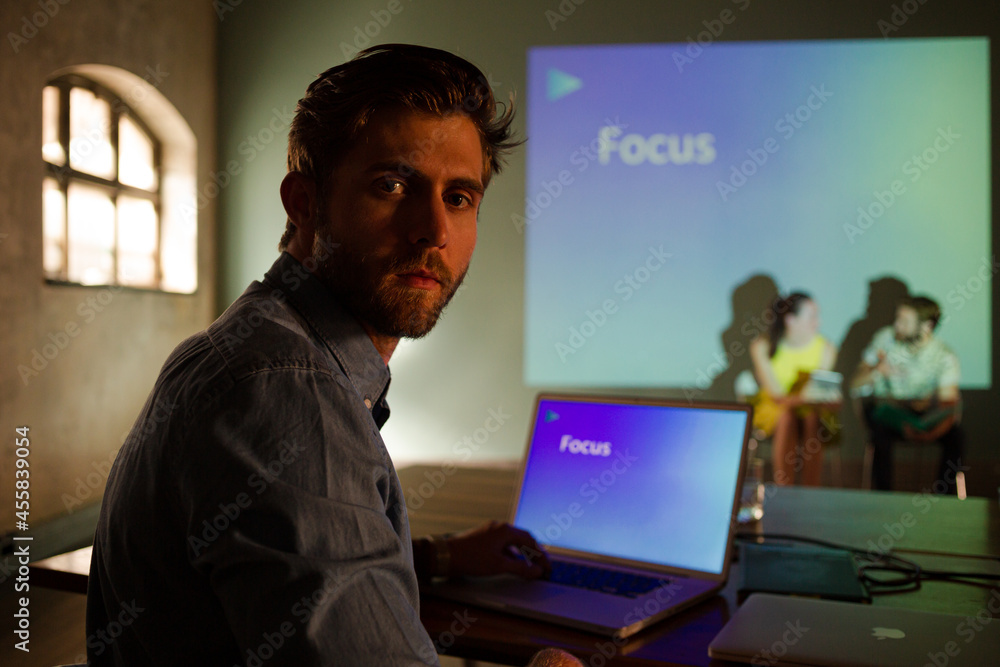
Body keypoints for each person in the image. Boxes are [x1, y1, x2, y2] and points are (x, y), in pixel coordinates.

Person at [87, 44, 582, 666]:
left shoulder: (257, 347)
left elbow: (286, 559)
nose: (434, 230)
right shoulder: (285, 389)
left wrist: (442, 557)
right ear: (304, 204)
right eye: (392, 185)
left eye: (459, 197)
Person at [852, 296, 963, 494]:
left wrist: (929, 433)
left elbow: (949, 405)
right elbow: (855, 384)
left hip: (922, 417)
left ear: (927, 326)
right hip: (889, 414)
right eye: (897, 319)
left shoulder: (944, 356)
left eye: (904, 321)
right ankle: (883, 498)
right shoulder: (885, 339)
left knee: (956, 437)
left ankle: (944, 499)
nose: (897, 325)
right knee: (879, 431)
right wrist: (877, 371)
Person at [748, 292, 839, 486]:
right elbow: (777, 396)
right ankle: (783, 487)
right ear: (791, 320)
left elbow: (821, 390)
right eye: (812, 316)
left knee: (811, 417)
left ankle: (811, 488)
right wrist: (809, 397)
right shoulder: (762, 346)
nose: (818, 322)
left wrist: (829, 398)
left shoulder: (826, 348)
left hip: (810, 409)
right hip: (774, 408)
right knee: (787, 416)